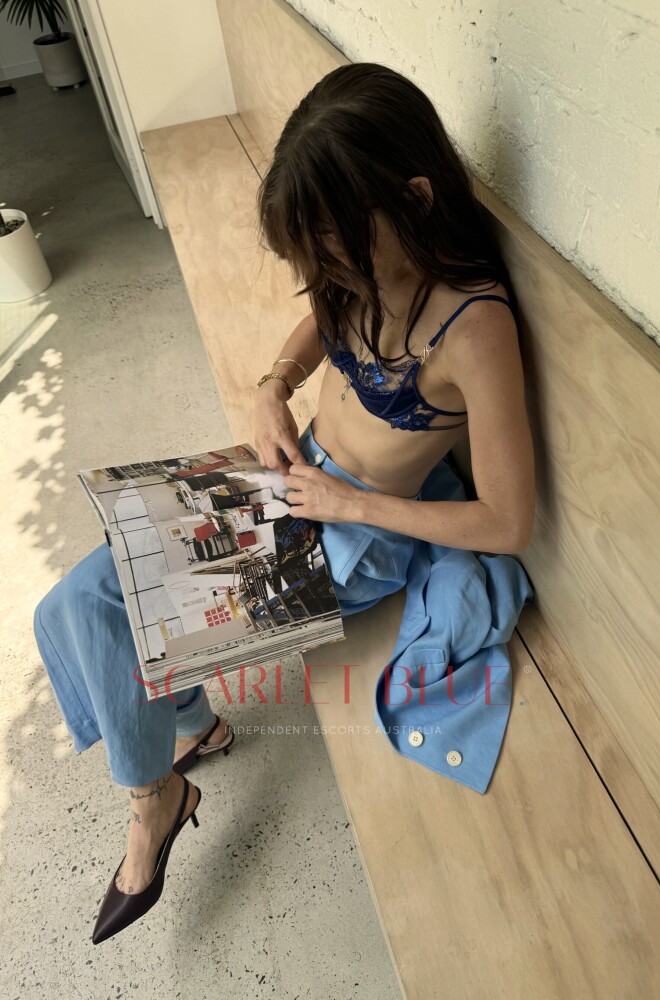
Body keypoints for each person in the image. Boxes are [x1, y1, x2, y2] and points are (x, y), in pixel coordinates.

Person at [32, 61, 535, 945]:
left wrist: (351, 505)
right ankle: (188, 732)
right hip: (292, 486)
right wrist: (274, 386)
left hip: (351, 540)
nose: (324, 274)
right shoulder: (366, 266)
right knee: (70, 606)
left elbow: (506, 520)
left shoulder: (473, 324)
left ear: (415, 199)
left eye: (333, 252)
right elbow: (318, 324)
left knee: (115, 611)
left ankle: (153, 800)